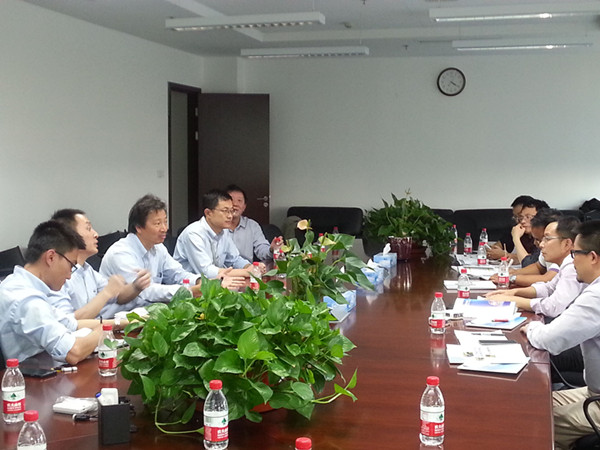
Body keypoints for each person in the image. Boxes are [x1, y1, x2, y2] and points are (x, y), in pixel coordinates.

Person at [521, 220, 600, 449]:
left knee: (532, 421)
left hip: (597, 401)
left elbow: (550, 339)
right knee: (533, 404)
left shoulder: (596, 296)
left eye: (575, 254)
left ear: (592, 257)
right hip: (593, 392)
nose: (572, 261)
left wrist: (531, 328)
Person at [100, 194, 244, 316]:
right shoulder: (122, 253)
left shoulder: (158, 247)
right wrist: (189, 291)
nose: (165, 228)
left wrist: (202, 282)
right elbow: (146, 291)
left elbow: (177, 273)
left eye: (165, 221)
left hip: (150, 312)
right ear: (138, 227)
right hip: (116, 319)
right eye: (157, 223)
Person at [0, 221, 112, 364]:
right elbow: (73, 352)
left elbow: (70, 324)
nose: (70, 276)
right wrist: (103, 331)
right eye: (71, 265)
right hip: (28, 375)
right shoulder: (25, 299)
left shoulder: (24, 284)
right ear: (51, 257)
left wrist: (118, 324)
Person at [48, 209, 151, 319]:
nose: (96, 234)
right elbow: (67, 322)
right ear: (70, 235)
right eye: (88, 229)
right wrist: (106, 293)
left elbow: (118, 296)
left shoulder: (88, 269)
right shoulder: (58, 276)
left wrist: (136, 286)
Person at [486, 216, 583, 318]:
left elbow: (552, 307)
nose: (541, 244)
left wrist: (512, 300)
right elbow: (548, 288)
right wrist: (513, 292)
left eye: (547, 239)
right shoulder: (566, 263)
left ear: (566, 244)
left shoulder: (573, 267)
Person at [175, 189, 263, 278]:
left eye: (231, 211)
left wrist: (251, 267)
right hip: (192, 284)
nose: (230, 216)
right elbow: (206, 271)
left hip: (217, 282)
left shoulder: (224, 231)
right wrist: (246, 272)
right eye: (225, 211)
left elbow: (234, 259)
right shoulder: (193, 234)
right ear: (208, 213)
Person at [489, 208, 562, 287]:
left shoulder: (562, 255)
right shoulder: (549, 249)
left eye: (540, 239)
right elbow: (538, 267)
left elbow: (548, 279)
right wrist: (512, 273)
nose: (537, 243)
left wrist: (511, 278)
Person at [225, 184, 282, 263]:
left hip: (246, 268)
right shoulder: (216, 226)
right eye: (231, 200)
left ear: (244, 207)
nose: (235, 204)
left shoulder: (252, 225)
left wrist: (271, 249)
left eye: (239, 201)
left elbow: (261, 248)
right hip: (221, 269)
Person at [488, 197, 549, 265]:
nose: (522, 221)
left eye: (528, 217)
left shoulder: (547, 236)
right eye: (520, 217)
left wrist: (515, 238)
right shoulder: (519, 230)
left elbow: (531, 261)